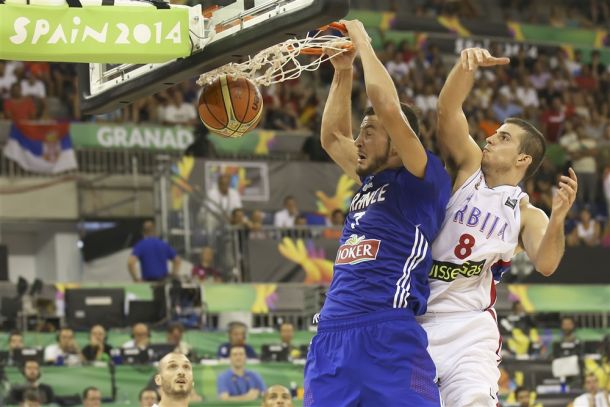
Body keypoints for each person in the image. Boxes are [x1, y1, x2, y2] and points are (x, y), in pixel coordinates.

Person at [420, 47, 578, 406]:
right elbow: (447, 111)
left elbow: (547, 262)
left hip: (469, 328)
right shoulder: (469, 168)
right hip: (417, 318)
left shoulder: (526, 213)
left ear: (523, 158)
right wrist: (465, 67)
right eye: (494, 133)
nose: (491, 137)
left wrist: (557, 219)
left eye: (504, 137)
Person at [304, 20, 451, 406]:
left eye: (369, 131)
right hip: (332, 333)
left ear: (401, 143)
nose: (358, 139)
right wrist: (343, 70)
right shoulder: (369, 179)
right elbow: (332, 137)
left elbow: (386, 104)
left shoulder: (423, 179)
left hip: (388, 333)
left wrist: (363, 43)